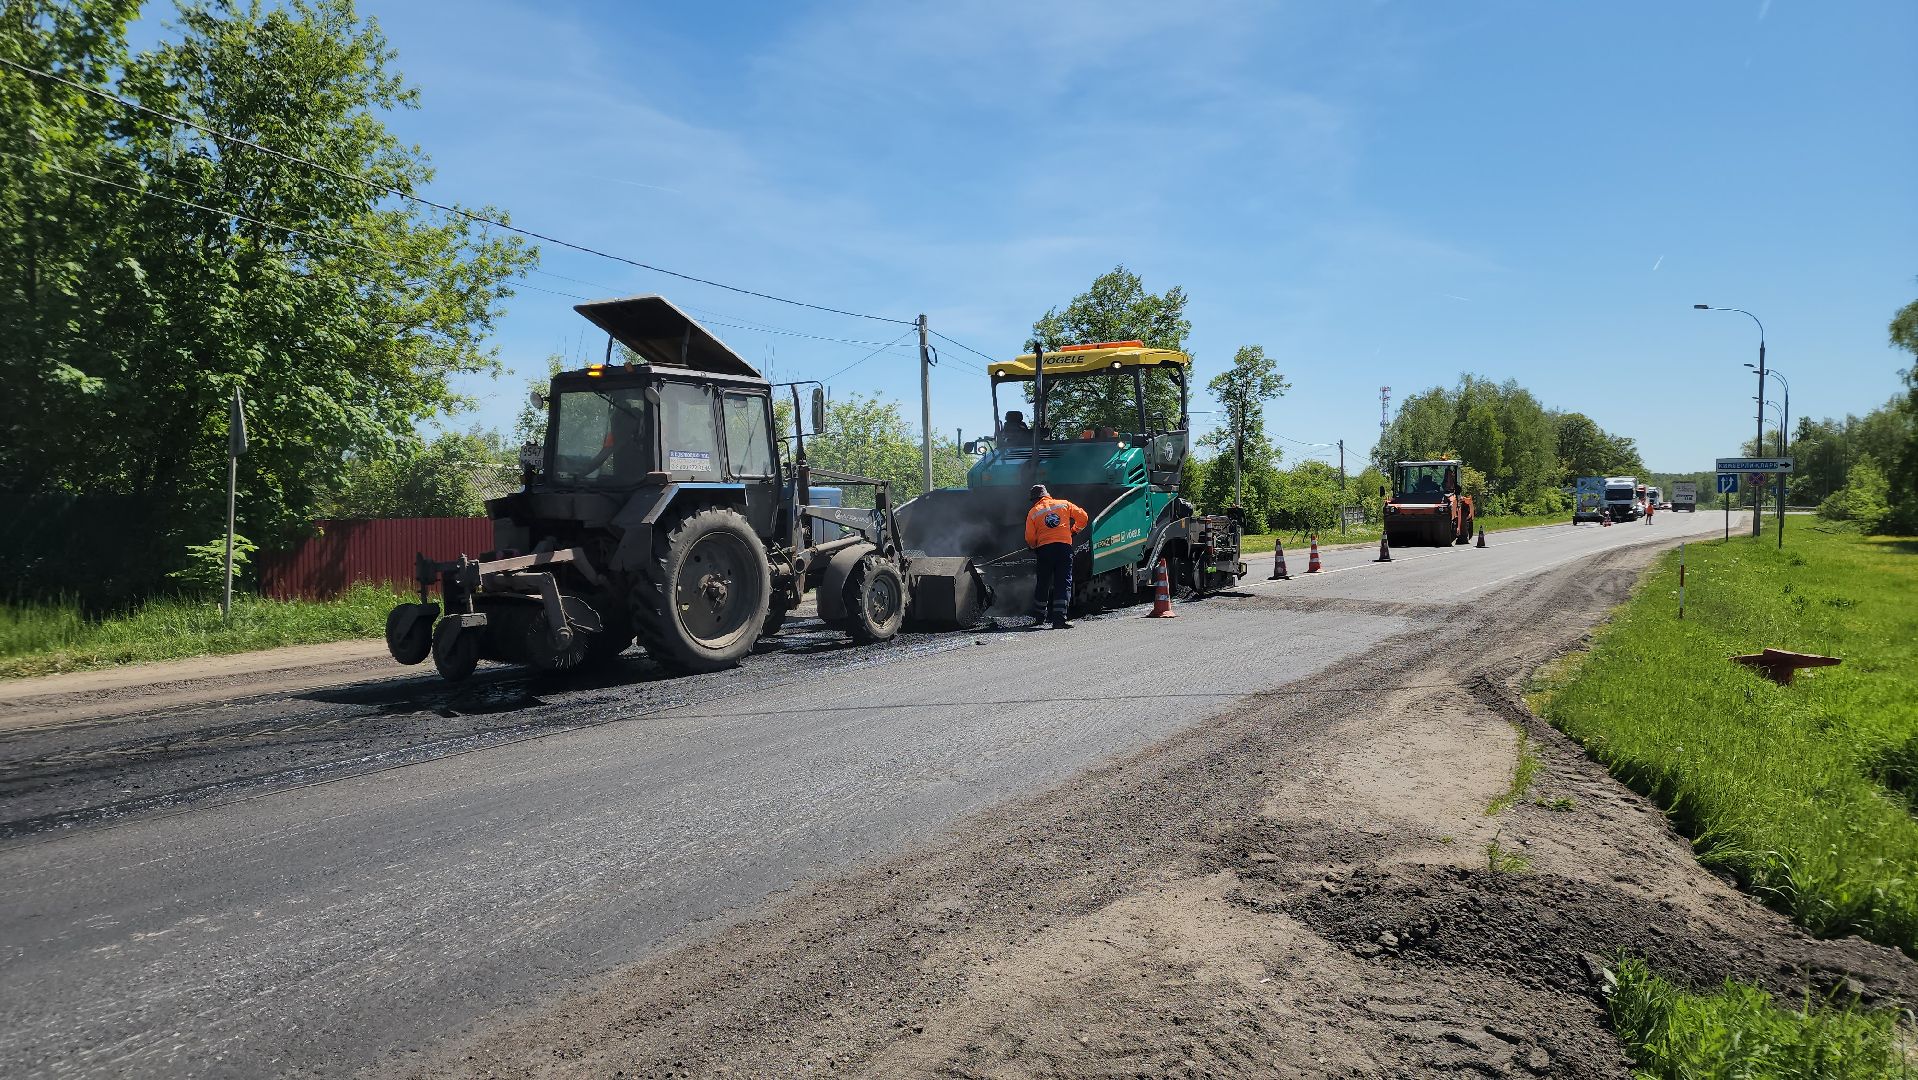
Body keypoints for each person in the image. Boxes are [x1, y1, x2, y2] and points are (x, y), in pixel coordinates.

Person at [1024, 483, 1088, 629]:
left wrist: (1033, 546)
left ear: (1035, 499)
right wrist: (1074, 531)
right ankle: (1059, 620)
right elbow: (1083, 517)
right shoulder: (1063, 504)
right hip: (1063, 549)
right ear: (1047, 495)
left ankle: (1039, 617)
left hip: (1044, 551)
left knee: (1043, 583)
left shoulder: (1033, 512)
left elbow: (1029, 537)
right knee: (1063, 583)